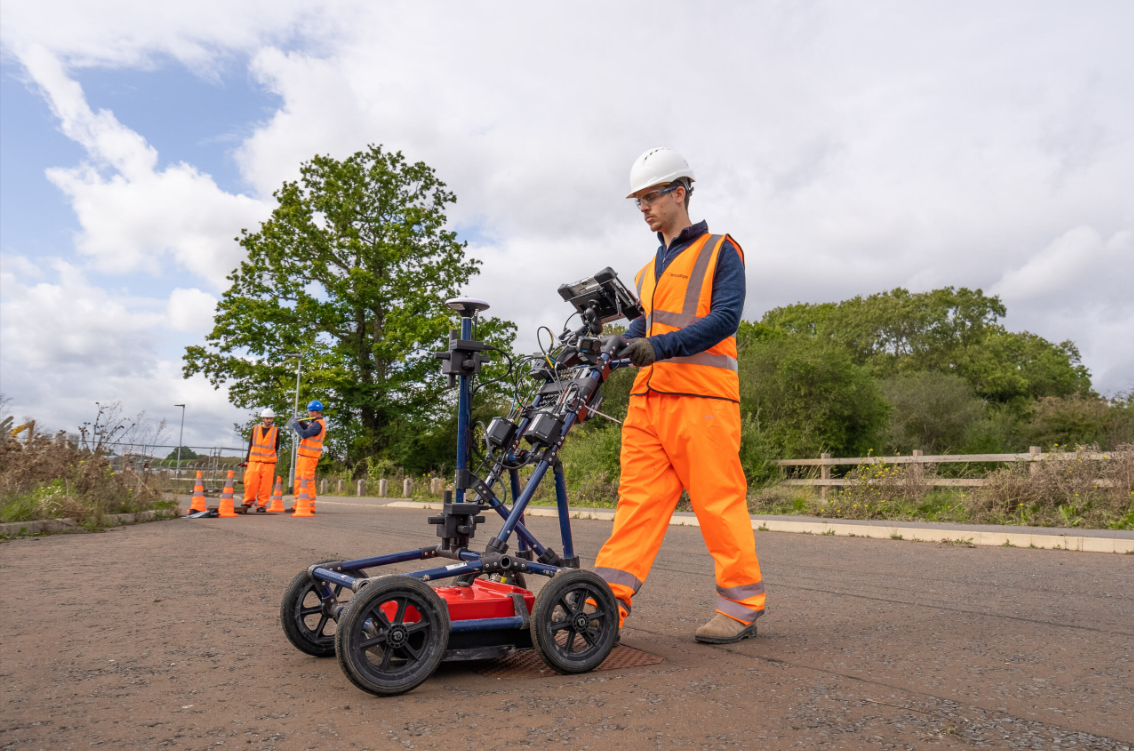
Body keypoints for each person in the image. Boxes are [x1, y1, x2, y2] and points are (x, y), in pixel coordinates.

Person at [595, 147, 766, 644]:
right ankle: (603, 609)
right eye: (638, 201)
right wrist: (614, 345)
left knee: (718, 504)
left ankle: (741, 607)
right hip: (648, 404)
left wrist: (658, 347)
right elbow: (644, 327)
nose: (644, 207)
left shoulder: (720, 251)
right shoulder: (647, 272)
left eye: (650, 197)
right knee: (636, 507)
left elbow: (724, 319)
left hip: (702, 402)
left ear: (679, 193)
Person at [288, 400, 326, 513]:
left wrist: (295, 425)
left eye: (309, 411)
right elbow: (307, 430)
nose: (308, 413)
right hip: (304, 456)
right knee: (299, 480)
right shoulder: (314, 423)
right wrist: (300, 423)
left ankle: (310, 505)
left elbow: (304, 434)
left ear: (314, 412)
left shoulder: (318, 424)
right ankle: (298, 504)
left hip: (309, 457)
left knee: (307, 481)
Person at [241, 408, 280, 512]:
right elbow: (250, 445)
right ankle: (248, 502)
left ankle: (261, 505)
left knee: (265, 486)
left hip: (268, 463)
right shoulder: (255, 429)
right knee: (250, 483)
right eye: (267, 418)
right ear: (263, 418)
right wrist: (247, 460)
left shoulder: (276, 430)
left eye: (271, 418)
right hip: (254, 461)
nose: (269, 420)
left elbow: (276, 446)